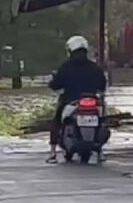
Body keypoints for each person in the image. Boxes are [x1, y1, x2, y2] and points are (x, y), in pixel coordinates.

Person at [46, 35, 108, 163]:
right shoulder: (94, 67)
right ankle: (100, 151)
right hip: (93, 101)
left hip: (71, 100)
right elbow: (102, 85)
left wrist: (53, 84)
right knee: (102, 120)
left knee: (56, 121)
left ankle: (52, 153)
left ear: (70, 50)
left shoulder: (66, 67)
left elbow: (55, 84)